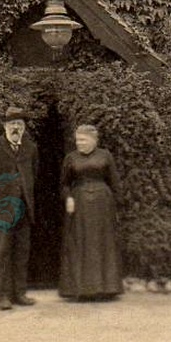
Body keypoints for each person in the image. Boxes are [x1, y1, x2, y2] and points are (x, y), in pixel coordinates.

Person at [0, 106, 39, 310]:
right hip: (1, 211)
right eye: (12, 124)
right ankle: (4, 296)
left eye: (19, 124)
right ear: (4, 126)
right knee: (2, 252)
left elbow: (33, 175)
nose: (15, 128)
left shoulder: (31, 148)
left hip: (24, 209)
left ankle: (19, 293)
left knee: (22, 252)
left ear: (24, 127)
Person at [58, 124, 123, 300]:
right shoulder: (71, 158)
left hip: (103, 204)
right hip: (79, 204)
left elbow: (114, 181)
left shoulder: (105, 155)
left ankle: (106, 288)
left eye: (83, 140)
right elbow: (64, 184)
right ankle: (80, 289)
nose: (79, 143)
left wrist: (117, 205)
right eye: (78, 140)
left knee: (102, 243)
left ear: (94, 140)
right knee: (81, 243)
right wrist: (68, 198)